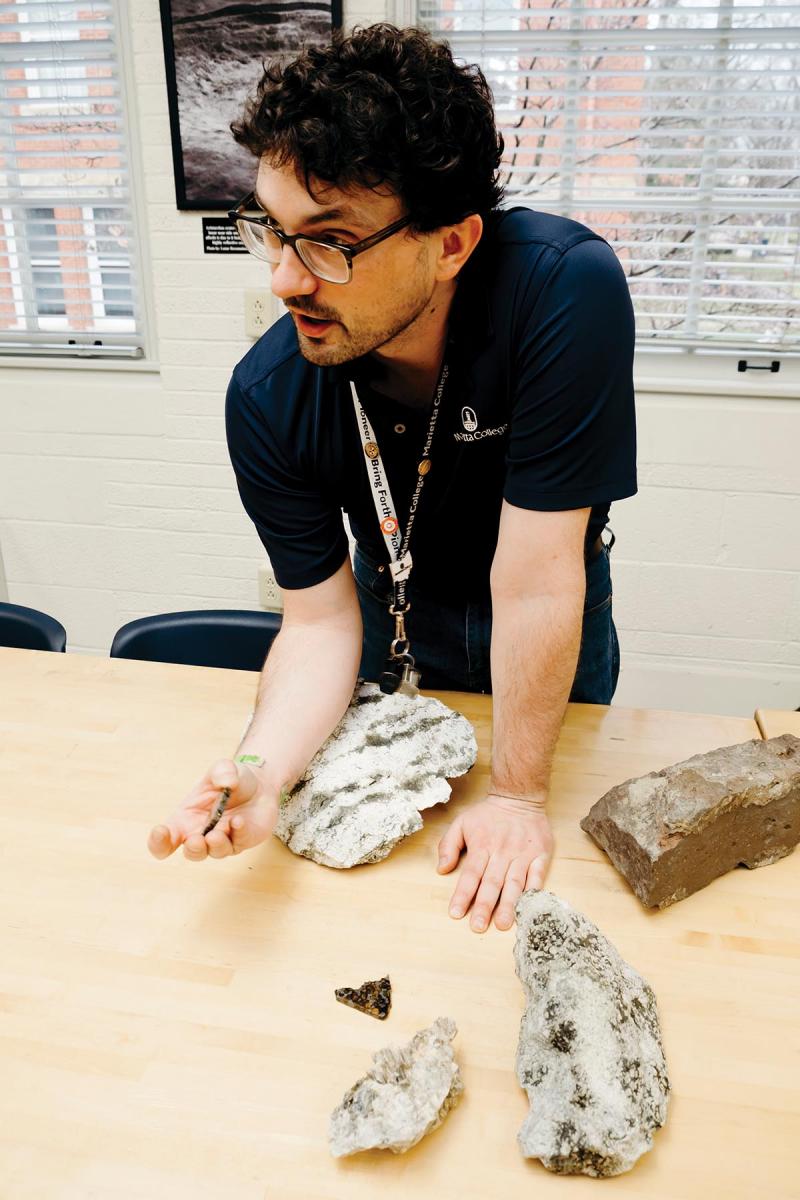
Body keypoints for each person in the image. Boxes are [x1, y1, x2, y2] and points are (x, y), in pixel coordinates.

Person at [148, 24, 637, 933]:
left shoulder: (563, 291)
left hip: (544, 604)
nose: (287, 279)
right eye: (274, 231)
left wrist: (521, 799)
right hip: (390, 613)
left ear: (450, 245)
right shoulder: (268, 394)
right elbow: (319, 619)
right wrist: (260, 774)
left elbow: (536, 580)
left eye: (330, 242)